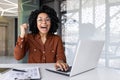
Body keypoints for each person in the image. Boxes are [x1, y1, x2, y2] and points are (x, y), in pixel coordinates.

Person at [14, 5, 69, 71]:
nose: (44, 22)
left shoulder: (57, 39)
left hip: (51, 73)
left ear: (51, 22)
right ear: (35, 23)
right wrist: (22, 34)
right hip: (33, 73)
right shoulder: (29, 37)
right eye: (40, 20)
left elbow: (61, 57)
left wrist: (60, 61)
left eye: (47, 19)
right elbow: (18, 56)